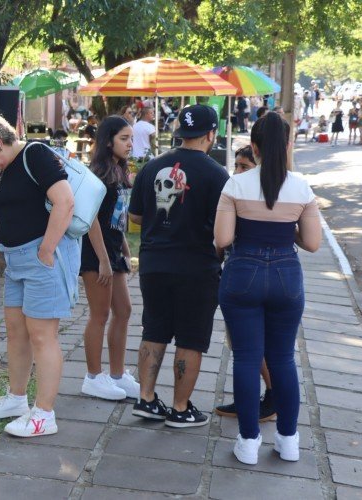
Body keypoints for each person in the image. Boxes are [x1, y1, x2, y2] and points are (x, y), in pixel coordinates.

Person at [215, 112, 321, 465]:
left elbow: (223, 238)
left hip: (242, 271)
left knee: (246, 358)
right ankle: (288, 441)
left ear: (255, 148)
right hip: (286, 275)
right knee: (283, 359)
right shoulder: (301, 188)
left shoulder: (236, 186)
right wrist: (282, 227)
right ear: (288, 145)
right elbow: (312, 243)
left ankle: (248, 442)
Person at [0, 112, 79, 438]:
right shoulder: (4, 172)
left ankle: (44, 414)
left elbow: (65, 202)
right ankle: (17, 398)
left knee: (43, 336)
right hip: (15, 264)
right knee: (16, 333)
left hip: (40, 260)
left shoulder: (35, 154)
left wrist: (46, 250)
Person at [129, 104, 229, 428]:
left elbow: (134, 218)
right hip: (197, 267)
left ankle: (145, 399)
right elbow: (224, 230)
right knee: (191, 338)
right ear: (211, 134)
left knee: (154, 328)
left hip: (153, 263)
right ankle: (180, 407)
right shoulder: (217, 174)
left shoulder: (151, 168)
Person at [213, 146, 276, 422]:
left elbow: (222, 241)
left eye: (244, 167)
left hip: (249, 277)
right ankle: (248, 399)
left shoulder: (249, 196)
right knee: (244, 345)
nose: (237, 172)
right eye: (236, 166)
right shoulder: (243, 192)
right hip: (257, 276)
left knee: (253, 346)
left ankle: (272, 398)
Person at [79, 116, 139, 401]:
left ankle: (117, 374)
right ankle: (93, 377)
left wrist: (125, 253)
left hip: (113, 251)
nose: (130, 144)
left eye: (131, 138)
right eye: (124, 138)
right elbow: (91, 219)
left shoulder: (120, 170)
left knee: (124, 310)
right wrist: (103, 259)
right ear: (107, 141)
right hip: (95, 252)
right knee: (100, 314)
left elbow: (118, 220)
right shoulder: (98, 174)